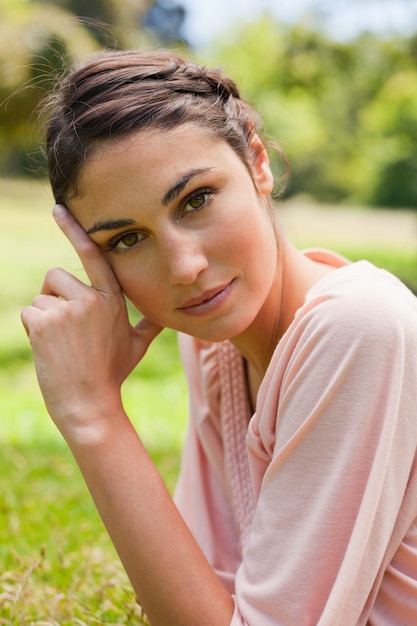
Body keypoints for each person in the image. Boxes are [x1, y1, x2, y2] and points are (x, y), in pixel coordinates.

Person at [21, 48, 417, 625]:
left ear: (258, 162)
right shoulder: (212, 344)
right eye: (127, 240)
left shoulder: (359, 326)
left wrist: (94, 417)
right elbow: (210, 592)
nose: (183, 268)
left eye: (196, 200)